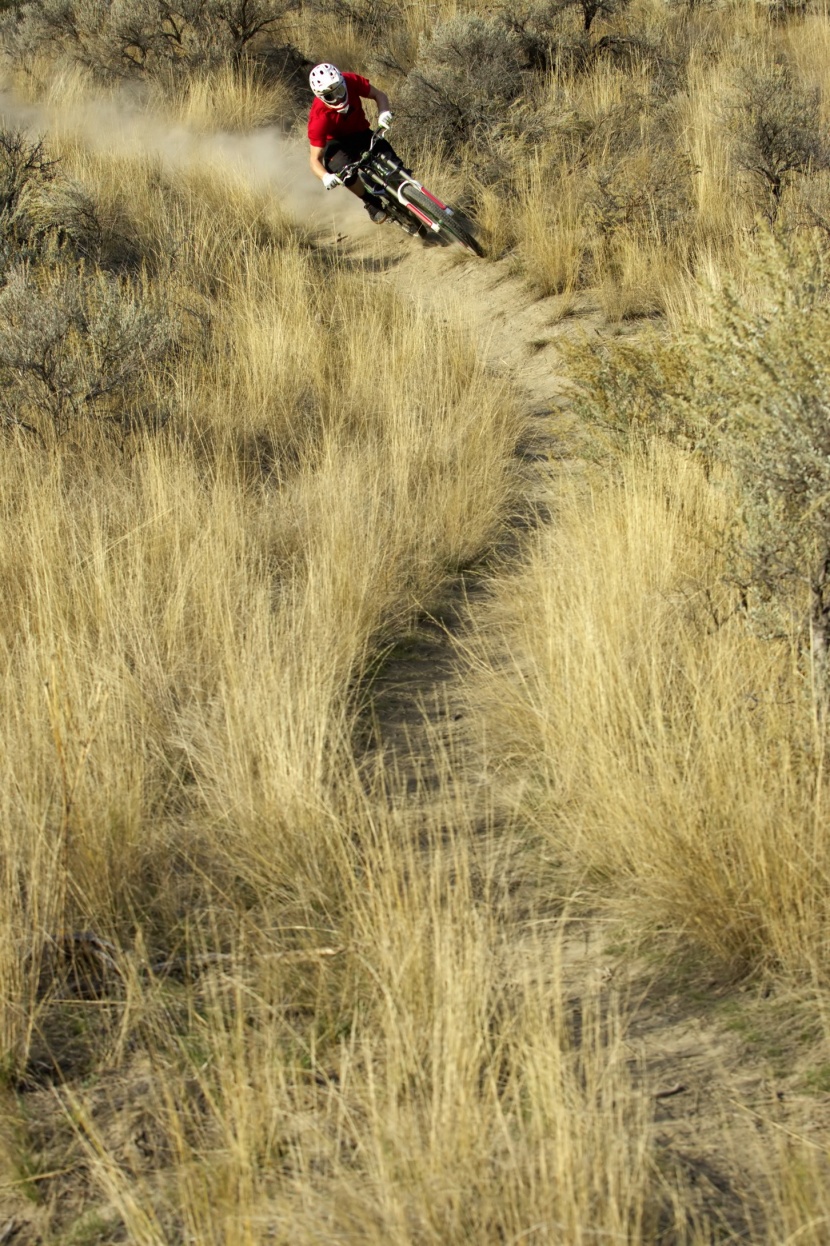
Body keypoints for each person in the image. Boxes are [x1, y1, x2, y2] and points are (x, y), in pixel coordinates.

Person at [307, 63, 395, 223]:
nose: (337, 98)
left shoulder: (351, 80)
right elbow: (314, 159)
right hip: (336, 144)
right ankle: (370, 202)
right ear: (320, 97)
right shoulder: (318, 118)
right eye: (329, 96)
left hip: (361, 132)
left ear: (343, 83)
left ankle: (406, 186)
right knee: (344, 173)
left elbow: (379, 95)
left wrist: (383, 112)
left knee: (391, 160)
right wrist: (325, 177)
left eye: (340, 91)